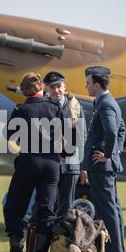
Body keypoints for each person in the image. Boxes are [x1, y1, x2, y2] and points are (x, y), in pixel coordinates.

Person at [0, 72, 74, 252]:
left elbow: (8, 136)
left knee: (13, 208)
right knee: (46, 210)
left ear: (24, 90)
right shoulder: (55, 108)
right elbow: (71, 138)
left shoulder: (21, 109)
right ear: (42, 88)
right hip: (51, 165)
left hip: (29, 163)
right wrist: (63, 154)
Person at [80, 66, 126, 252]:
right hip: (106, 163)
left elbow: (112, 132)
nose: (86, 85)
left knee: (107, 208)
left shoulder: (106, 104)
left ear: (97, 85)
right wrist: (115, 152)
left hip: (101, 165)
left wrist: (108, 154)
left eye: (89, 83)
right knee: (113, 207)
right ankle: (119, 250)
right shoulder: (108, 101)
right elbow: (122, 128)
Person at [43, 71, 86, 217]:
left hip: (71, 165)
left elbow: (82, 136)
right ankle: (46, 238)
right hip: (48, 164)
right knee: (47, 204)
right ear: (46, 89)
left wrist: (83, 167)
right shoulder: (41, 106)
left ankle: (62, 238)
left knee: (66, 207)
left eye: (59, 86)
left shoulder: (75, 106)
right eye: (52, 87)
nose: (56, 90)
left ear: (64, 86)